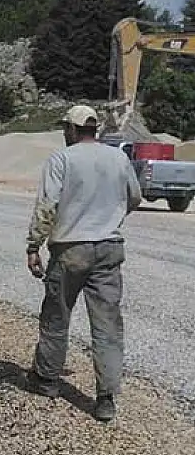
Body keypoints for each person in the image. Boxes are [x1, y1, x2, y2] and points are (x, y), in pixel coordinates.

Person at [24, 104, 142, 422]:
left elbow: (47, 206)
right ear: (95, 129)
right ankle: (105, 399)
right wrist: (108, 217)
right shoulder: (118, 157)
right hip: (109, 248)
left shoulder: (62, 159)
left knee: (56, 316)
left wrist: (34, 245)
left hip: (70, 250)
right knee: (107, 326)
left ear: (73, 130)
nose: (64, 133)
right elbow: (135, 197)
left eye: (66, 128)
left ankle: (46, 379)